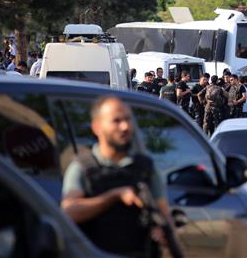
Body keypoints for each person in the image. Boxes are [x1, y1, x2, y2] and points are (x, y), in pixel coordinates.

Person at [61, 96, 172, 256]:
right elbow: (69, 212)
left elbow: (164, 215)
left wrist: (161, 231)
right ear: (97, 127)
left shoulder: (146, 167)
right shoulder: (83, 167)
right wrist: (114, 196)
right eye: (116, 121)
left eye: (128, 119)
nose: (125, 126)